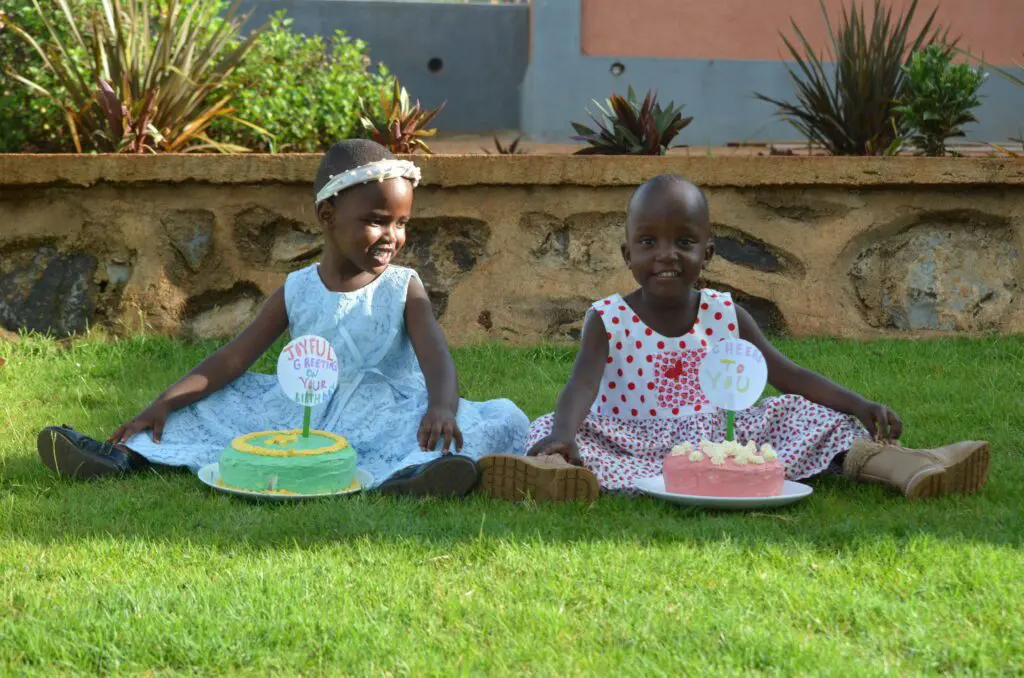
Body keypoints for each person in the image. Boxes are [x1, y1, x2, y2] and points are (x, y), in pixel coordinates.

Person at [37, 139, 530, 497]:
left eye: (401, 223)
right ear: (327, 215)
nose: (391, 236)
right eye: (376, 220)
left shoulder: (404, 287)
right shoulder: (297, 289)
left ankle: (415, 475)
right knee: (214, 403)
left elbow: (436, 358)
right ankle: (125, 454)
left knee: (492, 418)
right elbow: (232, 358)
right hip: (304, 411)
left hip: (382, 410)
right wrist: (163, 402)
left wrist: (441, 406)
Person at [520, 174, 990, 500]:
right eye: (649, 242)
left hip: (726, 445)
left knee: (802, 411)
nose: (666, 255)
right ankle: (559, 473)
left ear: (707, 252)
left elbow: (785, 375)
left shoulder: (726, 313)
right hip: (635, 445)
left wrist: (858, 405)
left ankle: (902, 467)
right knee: (545, 427)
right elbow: (581, 385)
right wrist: (564, 433)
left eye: (683, 242)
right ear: (627, 254)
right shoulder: (608, 319)